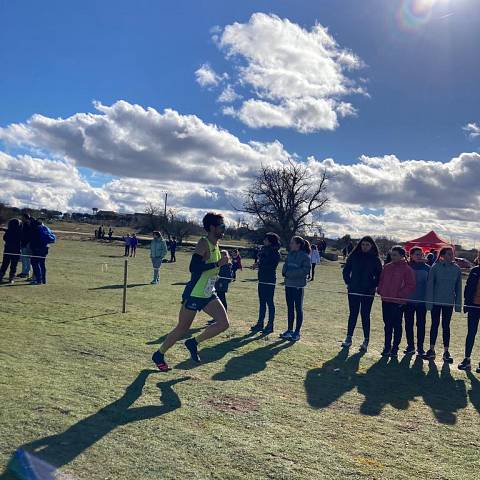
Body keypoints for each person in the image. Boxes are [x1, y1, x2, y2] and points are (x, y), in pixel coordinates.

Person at [151, 212, 230, 371]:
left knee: (224, 323)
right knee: (182, 328)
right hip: (194, 293)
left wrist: (224, 262)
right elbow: (193, 268)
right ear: (212, 227)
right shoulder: (203, 243)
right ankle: (159, 354)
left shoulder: (216, 245)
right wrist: (217, 264)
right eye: (222, 226)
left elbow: (214, 266)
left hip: (208, 293)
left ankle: (193, 342)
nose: (224, 229)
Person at [341, 236, 383, 352]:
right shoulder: (353, 256)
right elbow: (346, 271)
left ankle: (366, 340)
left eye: (367, 245)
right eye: (363, 244)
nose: (365, 247)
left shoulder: (375, 259)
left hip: (367, 292)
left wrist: (373, 286)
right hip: (353, 290)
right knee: (353, 314)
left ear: (371, 246)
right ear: (360, 245)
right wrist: (348, 282)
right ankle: (349, 338)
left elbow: (380, 275)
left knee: (365, 315)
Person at [423, 247, 462, 363]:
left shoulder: (456, 269)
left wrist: (458, 305)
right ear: (442, 255)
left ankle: (446, 352)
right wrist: (429, 304)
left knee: (446, 326)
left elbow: (458, 288)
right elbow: (429, 286)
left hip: (448, 303)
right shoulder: (435, 267)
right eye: (449, 254)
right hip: (435, 302)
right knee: (434, 324)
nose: (451, 256)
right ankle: (431, 350)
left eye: (452, 254)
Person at [377, 246, 416, 357]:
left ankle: (395, 349)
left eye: (395, 255)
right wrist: (380, 290)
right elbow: (382, 279)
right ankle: (387, 347)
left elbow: (411, 285)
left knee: (397, 325)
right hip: (386, 300)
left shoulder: (407, 269)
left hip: (398, 302)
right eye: (392, 254)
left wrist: (400, 295)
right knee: (387, 325)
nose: (392, 257)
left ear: (402, 256)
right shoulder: (387, 267)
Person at [280, 236, 311, 342]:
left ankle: (297, 332)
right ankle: (289, 330)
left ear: (298, 244)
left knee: (298, 308)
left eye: (292, 243)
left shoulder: (305, 256)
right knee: (290, 308)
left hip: (298, 286)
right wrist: (284, 272)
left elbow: (305, 270)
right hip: (288, 285)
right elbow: (285, 265)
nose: (290, 245)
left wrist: (289, 274)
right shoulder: (290, 254)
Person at [249, 232, 281, 334]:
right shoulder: (263, 250)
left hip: (270, 279)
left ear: (270, 241)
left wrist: (260, 266)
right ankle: (260, 323)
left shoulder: (275, 252)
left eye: (266, 239)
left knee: (269, 302)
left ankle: (270, 325)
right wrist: (257, 264)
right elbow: (262, 262)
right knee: (262, 302)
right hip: (262, 278)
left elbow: (271, 266)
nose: (264, 241)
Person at [404, 247, 430, 356]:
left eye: (421, 254)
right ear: (412, 255)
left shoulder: (428, 268)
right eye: (417, 254)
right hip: (408, 300)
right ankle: (410, 346)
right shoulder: (406, 266)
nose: (419, 256)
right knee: (408, 324)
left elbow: (430, 284)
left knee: (421, 324)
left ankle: (420, 348)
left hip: (421, 301)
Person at [458, 264, 480, 372]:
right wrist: (466, 303)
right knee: (471, 333)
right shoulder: (475, 270)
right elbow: (467, 288)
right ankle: (467, 360)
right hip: (473, 306)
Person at [30, 218, 56, 285]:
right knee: (42, 264)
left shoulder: (36, 229)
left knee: (35, 263)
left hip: (38, 248)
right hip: (45, 248)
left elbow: (34, 239)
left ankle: (38, 280)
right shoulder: (46, 228)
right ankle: (43, 280)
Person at [0, 218, 22, 284]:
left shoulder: (9, 231)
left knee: (5, 264)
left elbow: (5, 238)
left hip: (8, 249)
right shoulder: (20, 231)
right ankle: (11, 278)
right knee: (14, 265)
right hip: (16, 250)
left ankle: (1, 277)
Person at [18, 213, 33, 278]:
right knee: (24, 259)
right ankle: (24, 272)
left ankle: (26, 272)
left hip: (26, 244)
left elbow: (26, 235)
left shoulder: (27, 225)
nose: (21, 218)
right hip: (25, 243)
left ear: (25, 217)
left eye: (22, 217)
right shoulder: (25, 224)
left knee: (26, 259)